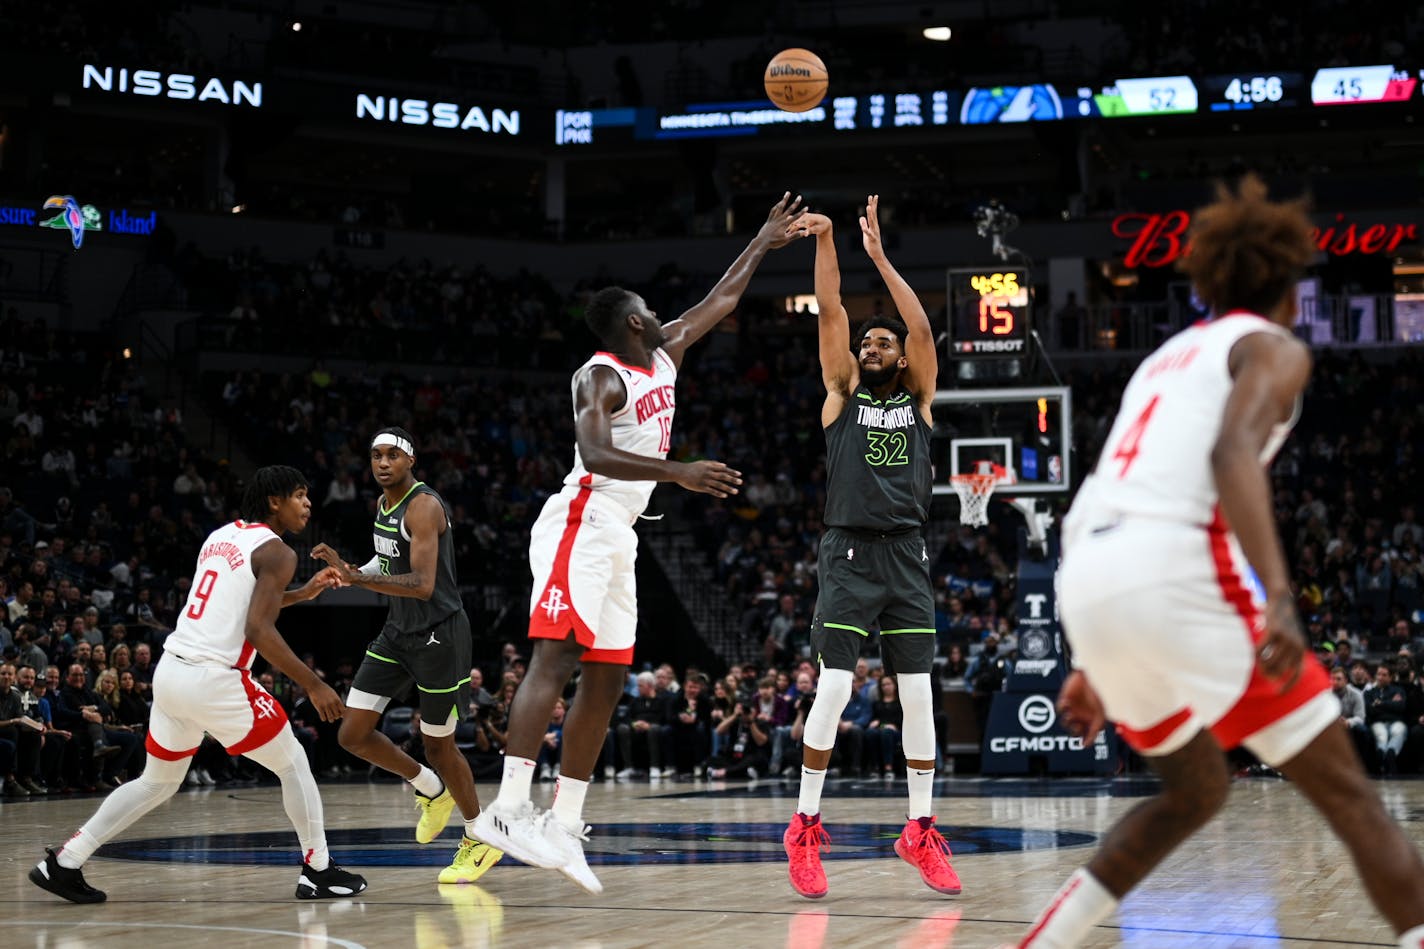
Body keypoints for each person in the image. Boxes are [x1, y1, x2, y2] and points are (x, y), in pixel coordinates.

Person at [1011, 175, 1424, 948]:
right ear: (1292, 286)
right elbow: (1231, 451)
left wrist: (1093, 660)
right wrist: (1280, 600)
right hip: (1177, 568)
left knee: (1195, 789)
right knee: (1354, 803)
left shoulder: (1165, 358)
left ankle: (1047, 939)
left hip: (1090, 578)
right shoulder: (1273, 346)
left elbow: (1123, 488)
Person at [473, 193, 809, 893]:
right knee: (556, 653)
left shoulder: (664, 356)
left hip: (622, 532)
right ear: (633, 320)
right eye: (652, 309)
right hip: (581, 518)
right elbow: (594, 452)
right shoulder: (600, 374)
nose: (663, 315)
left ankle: (564, 822)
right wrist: (677, 471)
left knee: (609, 675)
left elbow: (720, 300)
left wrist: (762, 239)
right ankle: (507, 807)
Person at [30, 465, 366, 904]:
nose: (308, 504)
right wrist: (314, 684)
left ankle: (64, 861)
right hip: (214, 678)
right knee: (292, 762)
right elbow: (259, 630)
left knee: (157, 782)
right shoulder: (279, 552)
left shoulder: (220, 536)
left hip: (171, 673)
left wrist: (302, 594)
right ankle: (318, 870)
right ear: (274, 501)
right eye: (300, 495)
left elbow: (241, 603)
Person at [781, 196, 959, 900]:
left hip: (908, 554)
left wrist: (880, 257)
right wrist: (826, 240)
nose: (873, 347)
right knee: (833, 686)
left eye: (883, 344)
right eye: (868, 343)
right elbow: (830, 312)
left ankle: (918, 830)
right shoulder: (842, 394)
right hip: (850, 553)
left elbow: (919, 324)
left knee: (918, 697)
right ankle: (804, 825)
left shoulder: (919, 399)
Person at [311, 427, 501, 886]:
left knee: (439, 744)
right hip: (398, 632)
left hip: (440, 635)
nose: (382, 462)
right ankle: (430, 789)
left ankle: (480, 836)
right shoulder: (382, 505)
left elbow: (422, 583)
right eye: (375, 455)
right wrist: (353, 571)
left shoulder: (424, 506)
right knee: (352, 733)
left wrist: (357, 583)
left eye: (392, 455)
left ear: (410, 460)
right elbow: (388, 563)